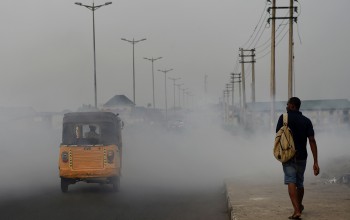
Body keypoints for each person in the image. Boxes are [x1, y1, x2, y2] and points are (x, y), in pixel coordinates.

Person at [276, 97, 320, 220]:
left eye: (287, 104)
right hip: (302, 156)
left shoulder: (283, 118)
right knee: (299, 183)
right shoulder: (306, 121)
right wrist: (315, 161)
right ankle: (299, 206)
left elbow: (278, 135)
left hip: (288, 156)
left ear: (292, 106)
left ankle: (296, 211)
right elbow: (312, 140)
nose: (286, 106)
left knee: (291, 181)